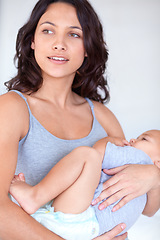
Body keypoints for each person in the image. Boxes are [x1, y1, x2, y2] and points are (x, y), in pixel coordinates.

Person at [0, 0, 159, 239]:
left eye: (74, 34)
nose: (59, 44)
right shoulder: (12, 108)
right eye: (48, 30)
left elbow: (146, 208)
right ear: (32, 41)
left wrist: (154, 177)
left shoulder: (104, 118)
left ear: (87, 48)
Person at [9, 130, 160, 239]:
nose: (133, 139)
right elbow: (150, 211)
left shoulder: (138, 158)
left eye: (144, 139)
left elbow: (99, 153)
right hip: (90, 231)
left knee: (88, 155)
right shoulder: (146, 188)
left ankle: (35, 196)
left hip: (79, 217)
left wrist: (106, 141)